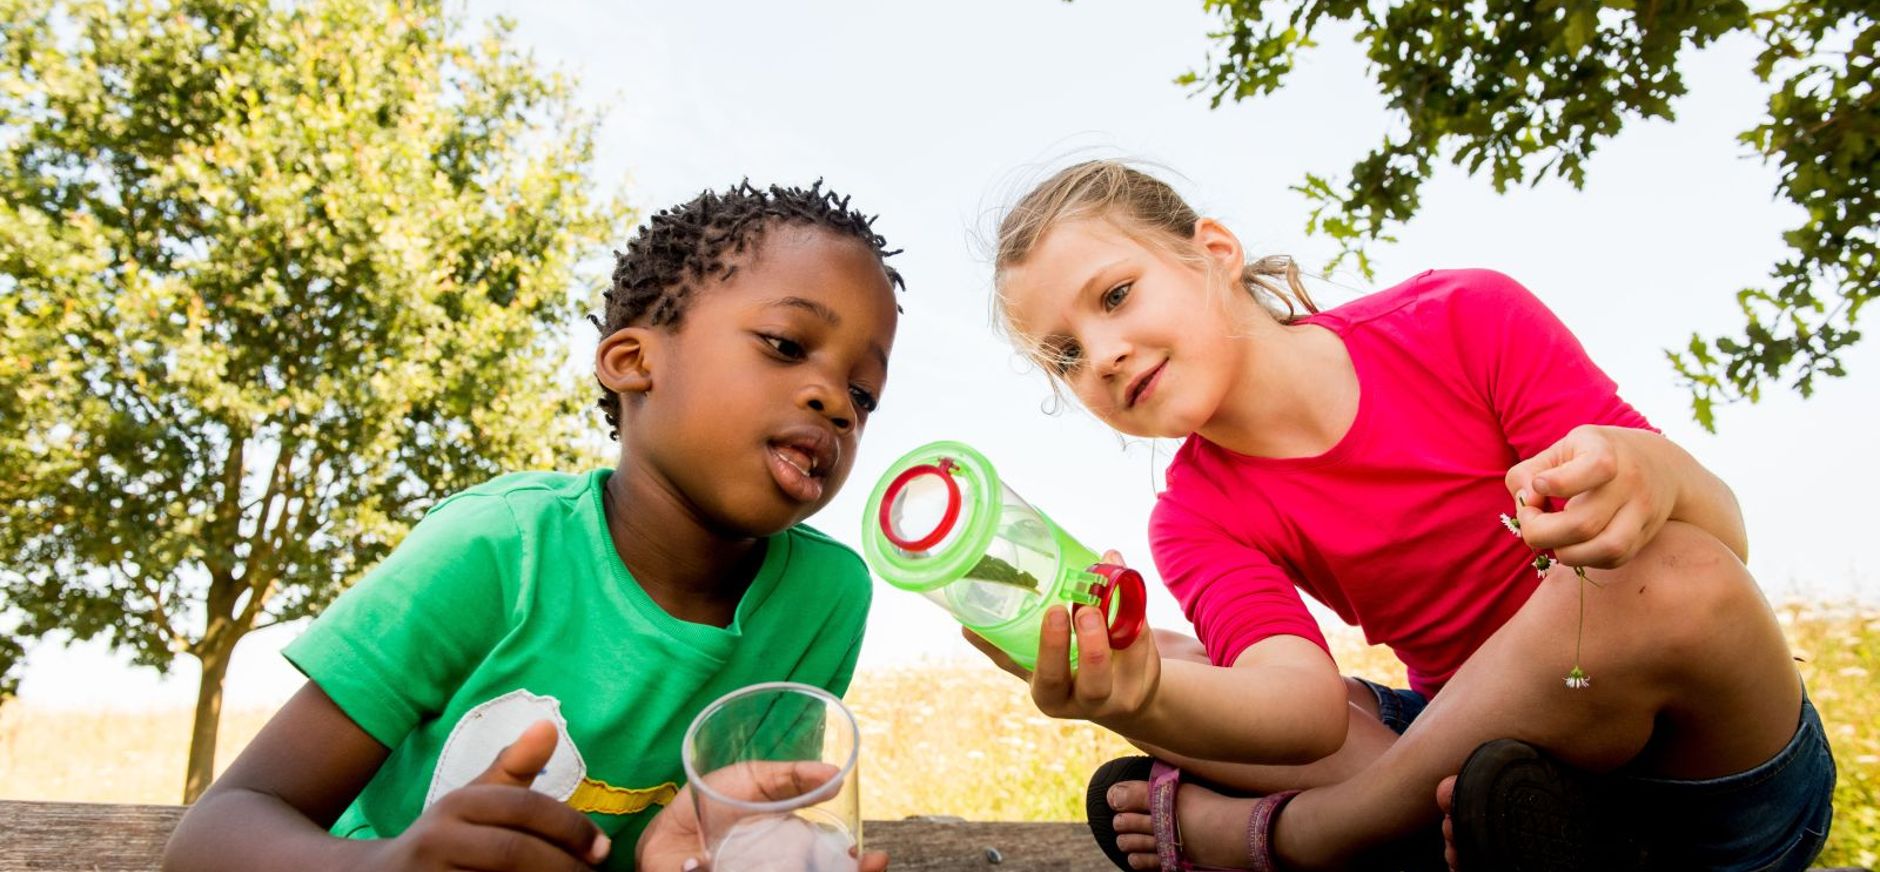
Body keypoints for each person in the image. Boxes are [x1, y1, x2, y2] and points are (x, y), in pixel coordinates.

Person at [968, 160, 1834, 871]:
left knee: (1665, 572)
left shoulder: (1464, 318)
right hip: (1492, 788)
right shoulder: (1195, 514)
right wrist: (1135, 698)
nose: (1105, 355)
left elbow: (1722, 553)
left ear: (1214, 253)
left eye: (1115, 296)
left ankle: (1309, 837)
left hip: (1710, 785)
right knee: (1167, 657)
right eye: (1067, 356)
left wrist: (1655, 475)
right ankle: (1511, 833)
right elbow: (1300, 713)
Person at [162, 181, 904, 872]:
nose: (835, 401)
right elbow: (216, 830)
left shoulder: (825, 598)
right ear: (633, 362)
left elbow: (725, 838)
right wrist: (387, 865)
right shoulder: (496, 549)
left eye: (863, 392)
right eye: (785, 344)